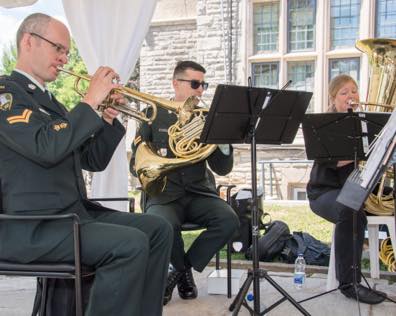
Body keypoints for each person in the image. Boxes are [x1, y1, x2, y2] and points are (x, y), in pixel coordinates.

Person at [0, 13, 172, 316]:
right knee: (129, 244)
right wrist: (90, 102)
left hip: (70, 216)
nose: (65, 59)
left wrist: (106, 119)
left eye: (66, 51)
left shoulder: (49, 102)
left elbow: (92, 161)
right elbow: (46, 147)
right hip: (31, 227)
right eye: (58, 49)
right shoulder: (7, 95)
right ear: (29, 41)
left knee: (158, 228)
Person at [130, 60, 240, 305]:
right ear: (176, 83)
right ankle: (182, 273)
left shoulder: (206, 118)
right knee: (162, 223)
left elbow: (222, 168)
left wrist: (223, 137)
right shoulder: (153, 114)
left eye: (203, 85)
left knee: (229, 220)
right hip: (164, 193)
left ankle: (179, 270)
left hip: (199, 192)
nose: (200, 90)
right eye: (195, 84)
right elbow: (136, 162)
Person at [306, 74, 385, 304]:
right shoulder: (324, 124)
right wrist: (367, 150)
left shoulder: (365, 122)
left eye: (354, 90)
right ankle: (349, 284)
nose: (351, 96)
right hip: (324, 192)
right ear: (333, 98)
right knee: (349, 210)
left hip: (356, 190)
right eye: (344, 92)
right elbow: (334, 161)